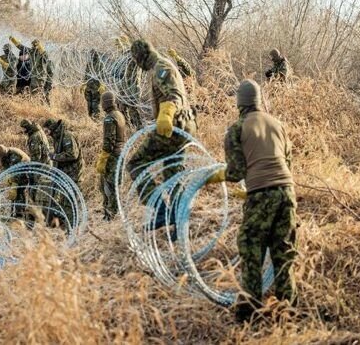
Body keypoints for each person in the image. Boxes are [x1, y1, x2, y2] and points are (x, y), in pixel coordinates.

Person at [207, 79, 297, 322]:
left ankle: (251, 311)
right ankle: (289, 309)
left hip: (261, 194)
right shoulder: (277, 123)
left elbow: (235, 172)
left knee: (251, 248)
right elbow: (287, 163)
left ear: (239, 103)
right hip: (287, 192)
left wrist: (214, 177)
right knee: (283, 251)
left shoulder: (236, 129)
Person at [125, 39, 197, 237]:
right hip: (181, 125)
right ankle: (179, 221)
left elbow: (174, 96)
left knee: (135, 163)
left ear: (142, 56)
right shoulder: (159, 66)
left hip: (173, 127)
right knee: (173, 173)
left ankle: (160, 209)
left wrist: (165, 113)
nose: (136, 64)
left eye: (135, 59)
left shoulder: (161, 67)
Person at [96, 91, 127, 220]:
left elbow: (109, 141)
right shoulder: (119, 114)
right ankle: (111, 212)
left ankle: (110, 214)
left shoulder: (109, 118)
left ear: (105, 103)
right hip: (120, 153)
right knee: (113, 184)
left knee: (108, 185)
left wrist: (103, 157)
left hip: (112, 156)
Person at [0, 144, 34, 226]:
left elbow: (17, 171)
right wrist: (8, 178)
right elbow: (6, 169)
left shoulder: (14, 156)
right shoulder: (4, 157)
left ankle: (20, 215)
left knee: (19, 192)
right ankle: (14, 213)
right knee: (13, 195)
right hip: (17, 173)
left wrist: (14, 185)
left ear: (4, 153)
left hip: (25, 172)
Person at [10, 37, 53, 103]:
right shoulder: (31, 52)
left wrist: (41, 48)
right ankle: (38, 106)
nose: (34, 47)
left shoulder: (42, 54)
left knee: (40, 93)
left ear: (39, 46)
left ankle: (44, 107)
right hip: (34, 77)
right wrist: (13, 40)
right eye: (33, 45)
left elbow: (46, 58)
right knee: (34, 93)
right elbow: (21, 47)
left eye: (35, 45)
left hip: (40, 77)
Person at [83, 49, 105, 120]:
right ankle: (91, 118)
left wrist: (102, 85)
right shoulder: (89, 64)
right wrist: (83, 84)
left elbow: (103, 76)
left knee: (95, 104)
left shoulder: (100, 64)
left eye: (92, 55)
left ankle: (96, 119)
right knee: (89, 104)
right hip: (89, 87)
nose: (91, 56)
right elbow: (86, 75)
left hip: (96, 87)